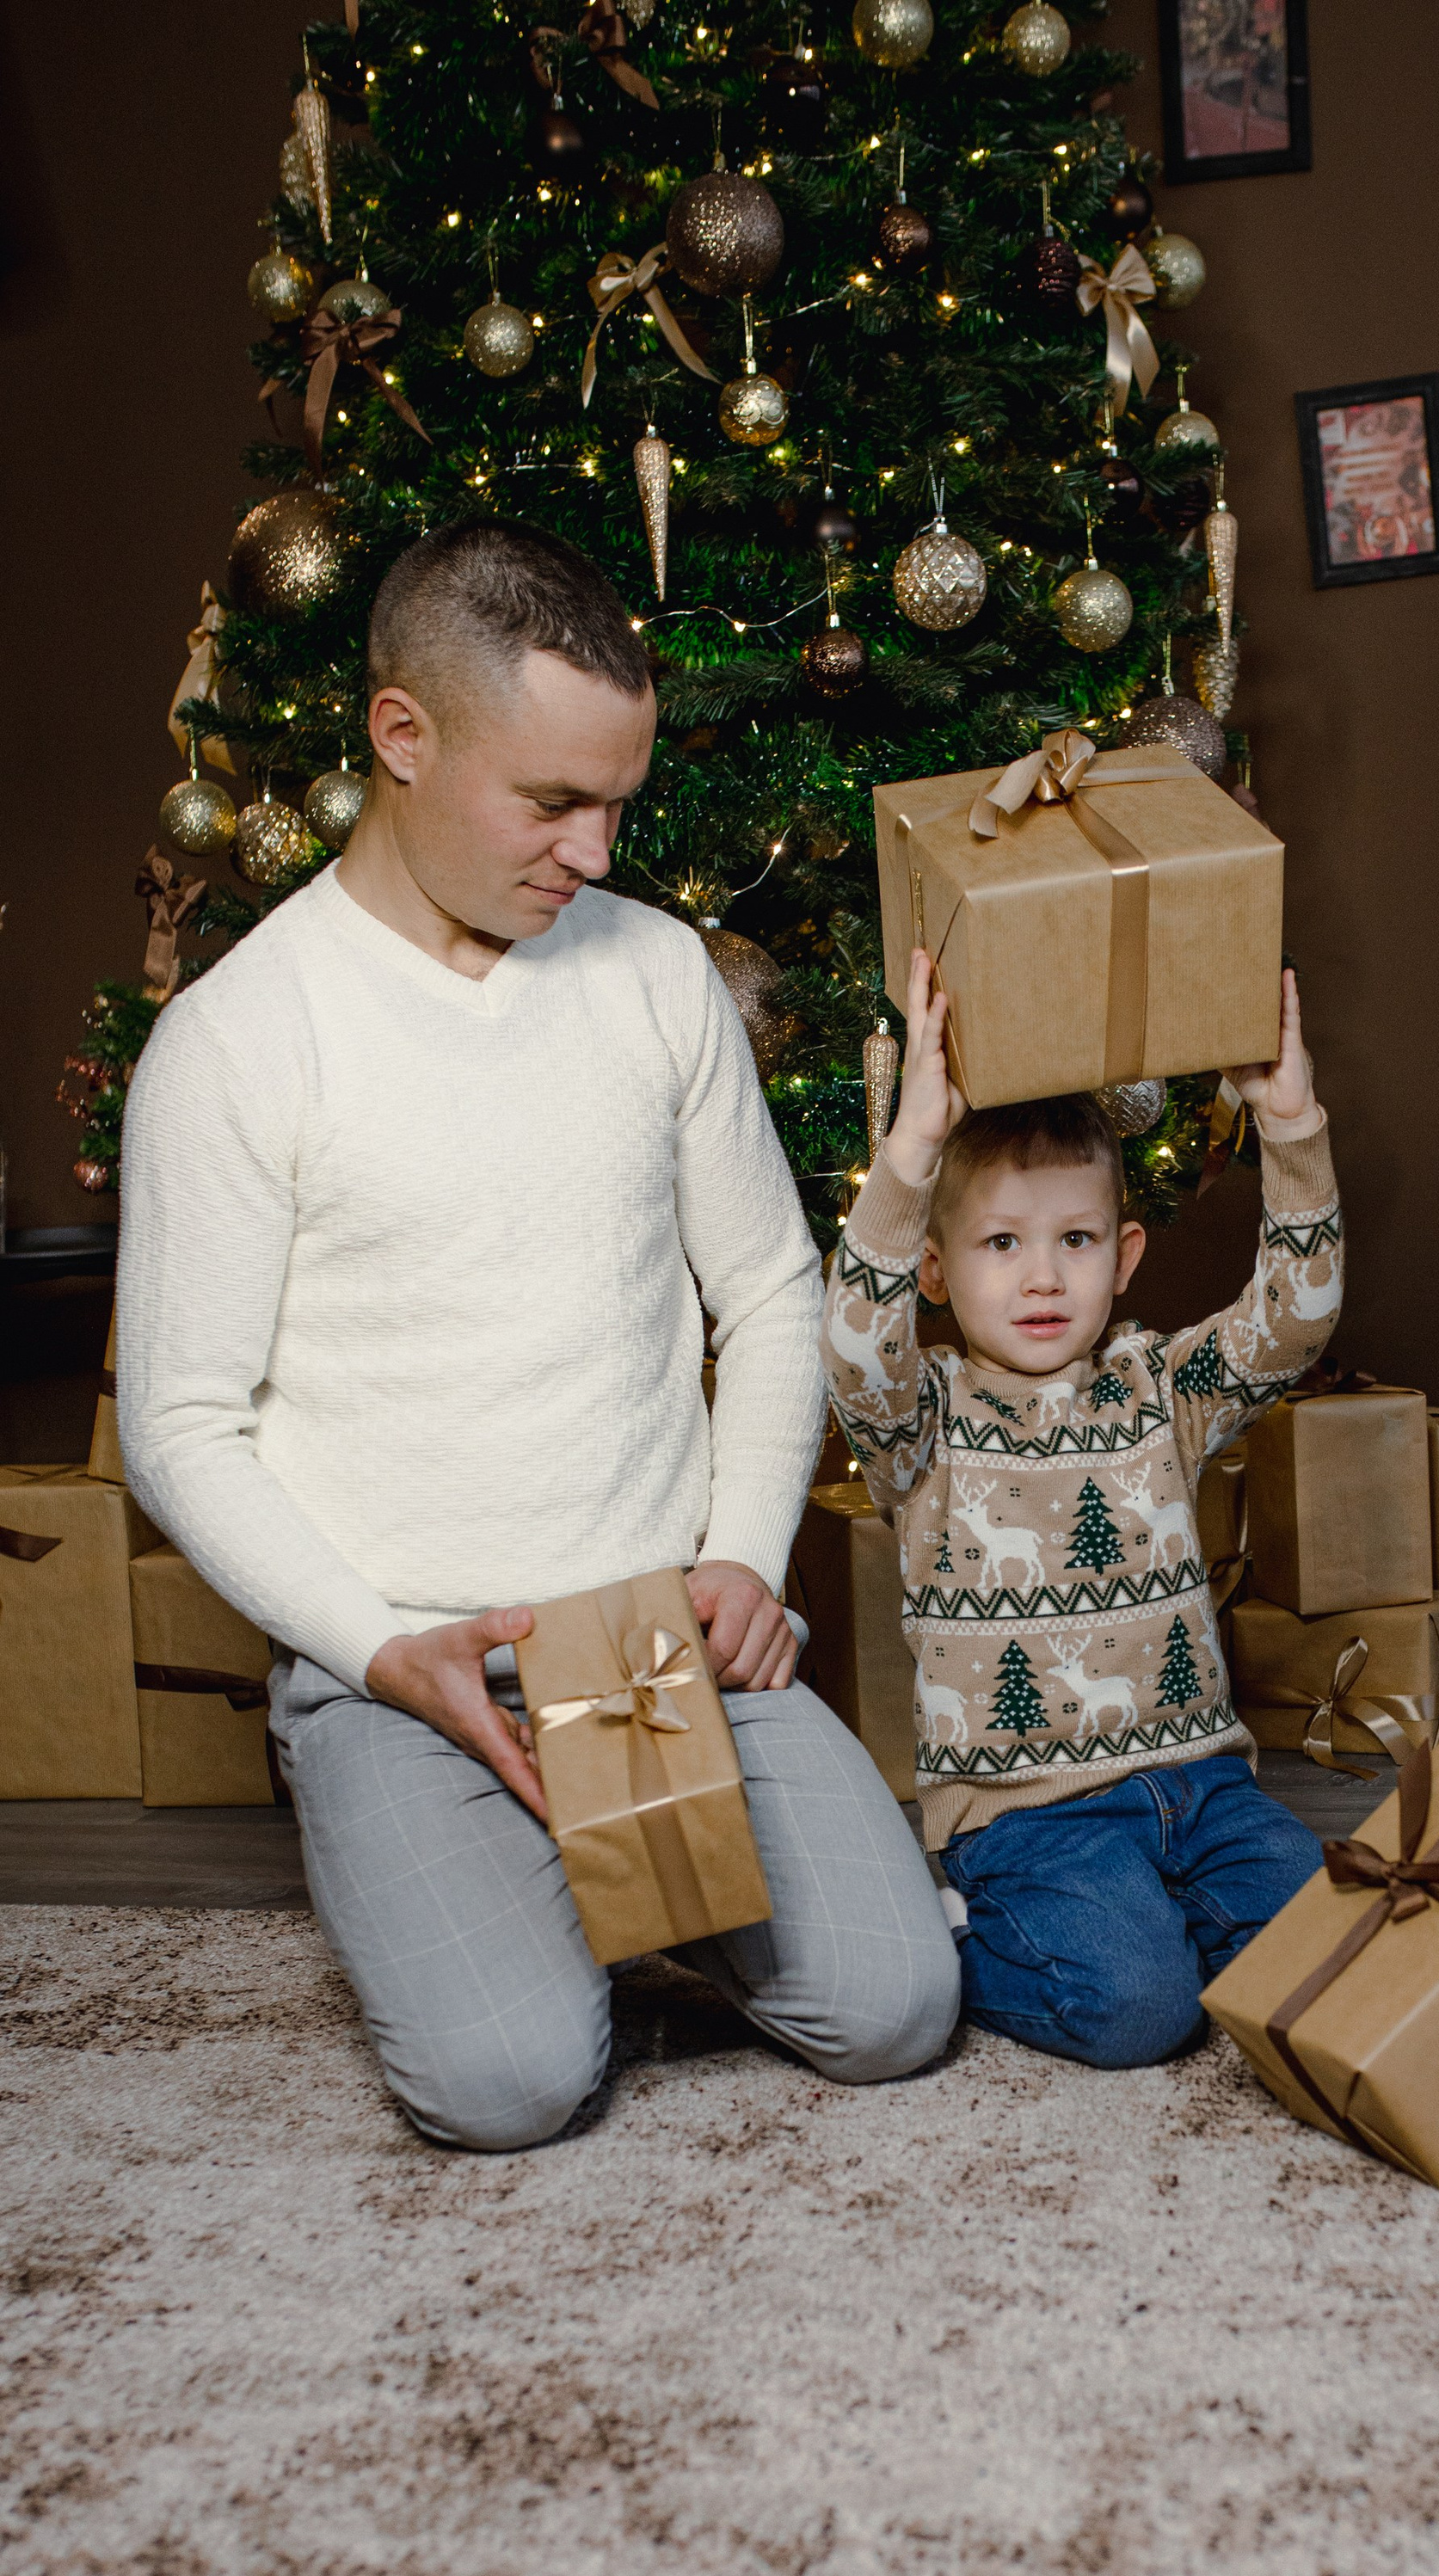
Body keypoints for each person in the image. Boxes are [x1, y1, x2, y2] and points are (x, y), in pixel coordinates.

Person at [118, 519, 959, 2148]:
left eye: (618, 804)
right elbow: (180, 1426)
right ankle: (538, 1884)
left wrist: (744, 1558)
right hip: (402, 1667)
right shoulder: (237, 1041)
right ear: (402, 734)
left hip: (660, 1637)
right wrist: (374, 1650)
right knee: (508, 2084)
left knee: (897, 2007)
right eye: (552, 800)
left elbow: (767, 1292)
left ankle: (608, 1880)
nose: (593, 849)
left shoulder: (658, 974)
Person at [821, 952, 1338, 2068]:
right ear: (936, 1271)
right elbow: (855, 1349)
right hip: (1031, 1814)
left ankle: (1168, 1916)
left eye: (1076, 1239)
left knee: (1327, 1957)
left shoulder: (1162, 1387)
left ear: (1123, 1254)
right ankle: (958, 1934)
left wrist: (1290, 1124)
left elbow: (1295, 1321)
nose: (1044, 1277)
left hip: (1204, 1787)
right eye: (1002, 1242)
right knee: (1139, 2010)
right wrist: (909, 1154)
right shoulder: (923, 1422)